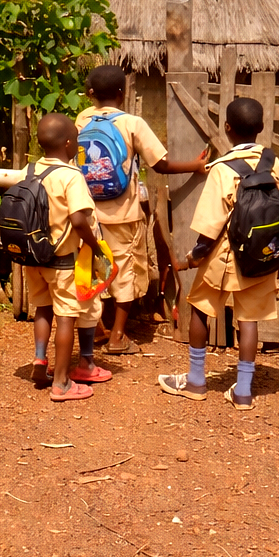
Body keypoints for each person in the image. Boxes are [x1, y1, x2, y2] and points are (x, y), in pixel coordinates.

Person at [157, 96, 279, 411]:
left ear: (227, 128)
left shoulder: (222, 169)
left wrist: (194, 257)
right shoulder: (272, 161)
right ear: (261, 128)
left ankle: (195, 380)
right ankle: (244, 391)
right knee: (249, 320)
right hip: (262, 255)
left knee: (200, 310)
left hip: (225, 258)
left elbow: (210, 227)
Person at [75, 65, 209, 354]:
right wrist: (195, 167)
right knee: (123, 271)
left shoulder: (83, 119)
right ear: (122, 94)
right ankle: (118, 337)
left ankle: (99, 328)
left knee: (95, 267)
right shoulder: (132, 123)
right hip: (122, 212)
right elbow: (159, 164)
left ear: (91, 95)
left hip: (86, 210)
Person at [25, 113, 113, 402]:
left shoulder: (31, 170)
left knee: (42, 309)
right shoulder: (71, 176)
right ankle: (61, 382)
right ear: (67, 144)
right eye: (75, 140)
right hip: (62, 260)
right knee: (67, 317)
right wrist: (95, 245)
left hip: (34, 258)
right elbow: (78, 219)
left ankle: (40, 360)